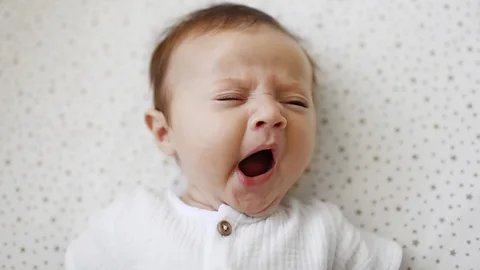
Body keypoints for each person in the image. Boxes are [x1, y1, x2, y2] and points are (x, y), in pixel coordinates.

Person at [65, 3, 402, 269]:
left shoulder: (323, 232)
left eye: (294, 101)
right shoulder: (131, 222)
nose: (272, 113)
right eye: (231, 97)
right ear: (165, 132)